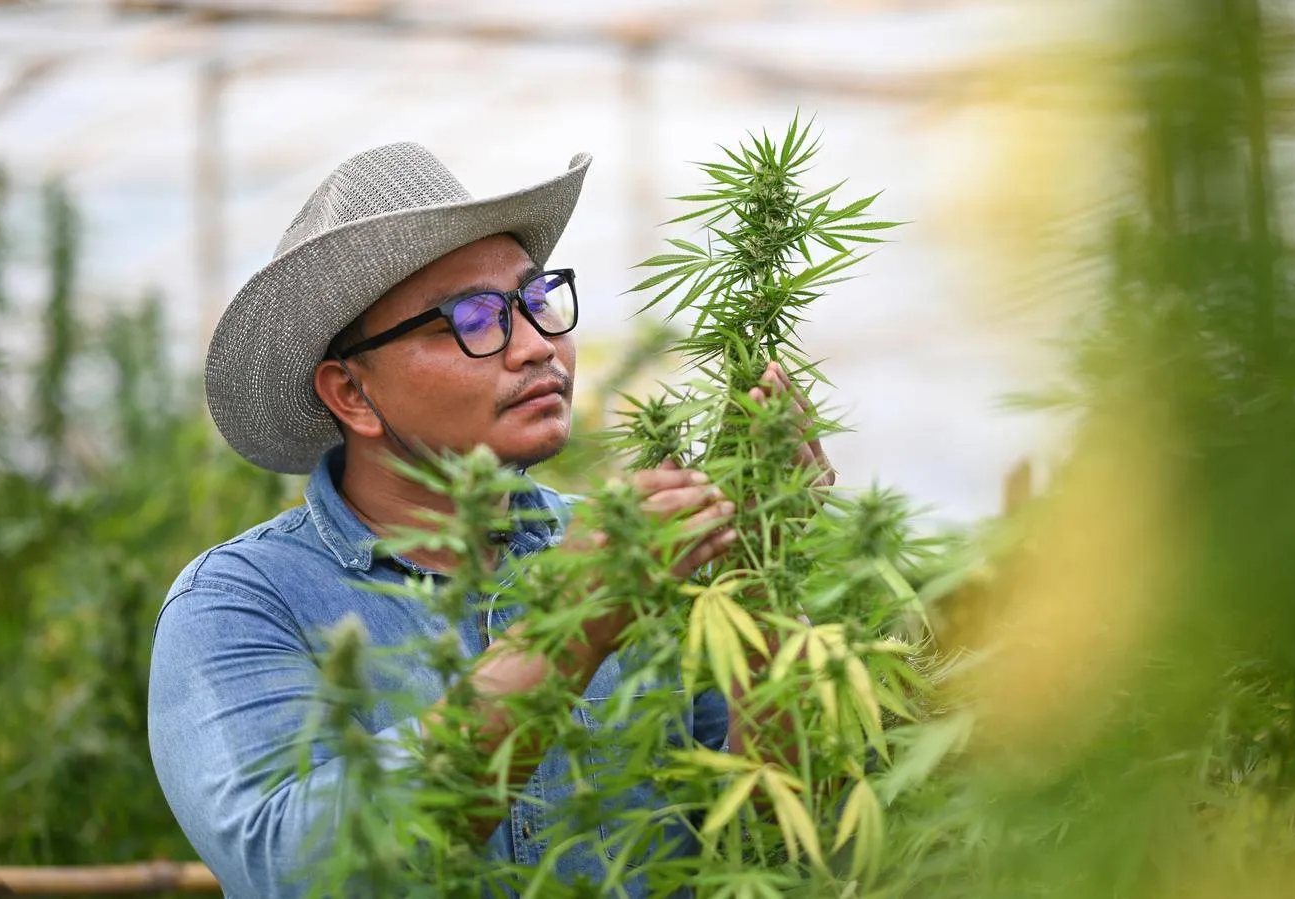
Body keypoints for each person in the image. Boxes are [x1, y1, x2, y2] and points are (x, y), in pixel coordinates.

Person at [147, 142, 832, 898]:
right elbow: (306, 871)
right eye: (475, 317)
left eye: (537, 302)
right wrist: (576, 617)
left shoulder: (646, 556)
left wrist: (759, 576)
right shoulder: (241, 601)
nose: (539, 347)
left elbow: (774, 848)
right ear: (350, 392)